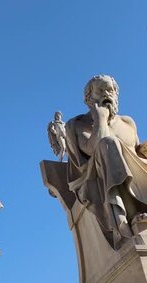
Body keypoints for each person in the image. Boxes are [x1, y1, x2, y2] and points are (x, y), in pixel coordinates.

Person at [65, 75, 147, 246]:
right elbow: (94, 149)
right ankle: (128, 217)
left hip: (138, 176)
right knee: (108, 144)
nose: (106, 94)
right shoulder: (78, 124)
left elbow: (137, 154)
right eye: (100, 90)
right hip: (96, 177)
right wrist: (100, 120)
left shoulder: (127, 122)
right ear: (89, 98)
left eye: (110, 90)